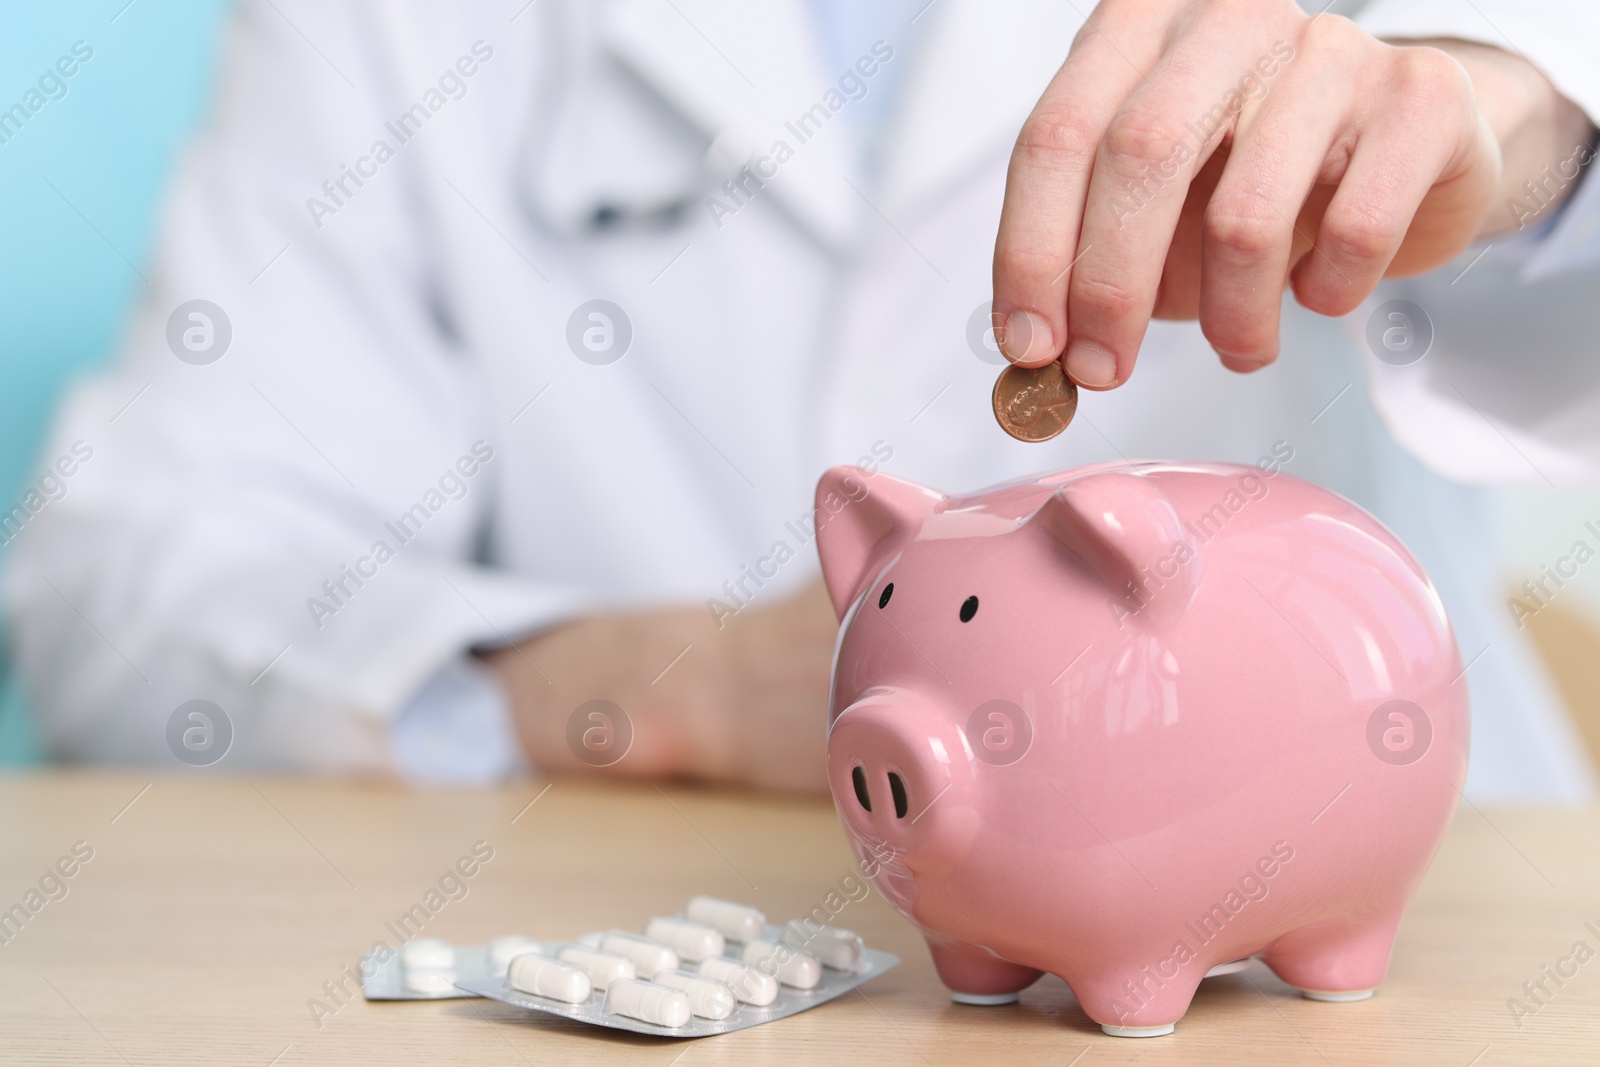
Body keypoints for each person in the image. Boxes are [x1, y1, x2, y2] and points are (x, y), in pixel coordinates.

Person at [5, 0, 1599, 798]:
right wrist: (631, 691)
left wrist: (1521, 125)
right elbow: (120, 587)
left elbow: (1535, 171)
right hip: (711, 958)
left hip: (1398, 909)